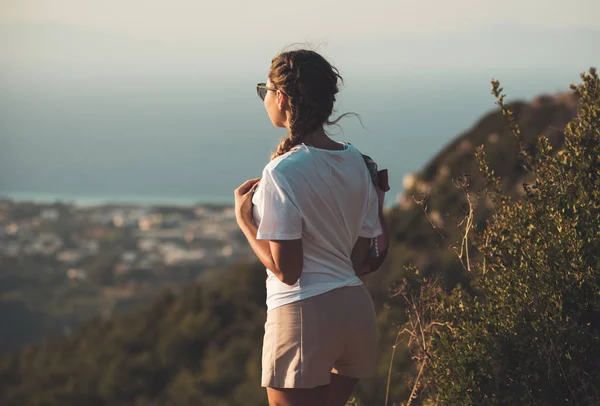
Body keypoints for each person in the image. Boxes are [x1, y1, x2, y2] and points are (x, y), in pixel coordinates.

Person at [234, 49, 383, 406]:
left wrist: (244, 221)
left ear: (282, 97)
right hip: (356, 312)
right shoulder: (357, 162)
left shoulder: (282, 172)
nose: (265, 98)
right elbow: (357, 259)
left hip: (304, 313)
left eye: (265, 90)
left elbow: (288, 271)